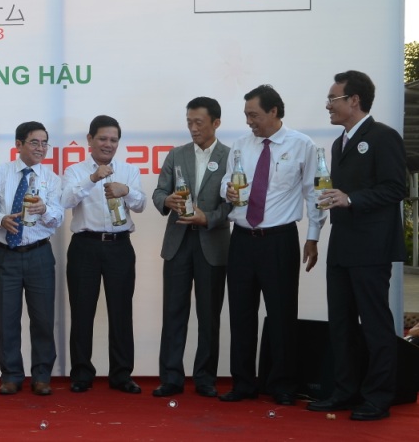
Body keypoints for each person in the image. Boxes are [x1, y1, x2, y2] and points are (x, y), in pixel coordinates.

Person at [305, 70, 407, 421]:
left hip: (372, 248)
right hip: (342, 245)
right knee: (342, 323)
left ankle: (378, 397)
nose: (327, 105)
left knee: (375, 325)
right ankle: (344, 391)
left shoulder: (383, 137)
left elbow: (396, 188)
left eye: (333, 99)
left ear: (354, 100)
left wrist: (352, 199)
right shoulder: (339, 144)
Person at [219, 84, 326, 406]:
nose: (249, 121)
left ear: (274, 112)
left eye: (254, 115)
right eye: (246, 115)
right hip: (241, 239)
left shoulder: (302, 145)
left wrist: (313, 236)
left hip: (279, 240)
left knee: (282, 314)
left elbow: (314, 193)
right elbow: (226, 180)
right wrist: (227, 190)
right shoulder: (240, 146)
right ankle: (243, 383)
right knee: (241, 314)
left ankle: (282, 384)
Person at [151, 98, 231, 398]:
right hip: (178, 243)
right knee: (173, 312)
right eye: (189, 122)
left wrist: (207, 217)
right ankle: (171, 377)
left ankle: (205, 378)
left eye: (199, 122)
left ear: (216, 123)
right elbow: (159, 191)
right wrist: (166, 200)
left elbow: (234, 203)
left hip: (212, 243)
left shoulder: (230, 156)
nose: (193, 128)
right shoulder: (176, 154)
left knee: (209, 315)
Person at [61, 115, 146, 395]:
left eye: (113, 140)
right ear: (90, 139)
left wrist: (126, 190)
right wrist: (92, 178)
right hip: (85, 246)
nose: (108, 144)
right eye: (102, 139)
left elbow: (141, 204)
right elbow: (65, 201)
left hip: (119, 247)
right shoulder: (75, 171)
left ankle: (121, 374)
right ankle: (81, 373)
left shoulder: (129, 170)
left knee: (121, 312)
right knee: (82, 311)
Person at [0, 121, 63, 396]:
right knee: (7, 319)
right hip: (7, 255)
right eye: (34, 142)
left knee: (43, 319)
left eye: (44, 143)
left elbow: (58, 218)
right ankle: (11, 376)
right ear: (18, 144)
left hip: (40, 254)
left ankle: (42, 376)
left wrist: (45, 209)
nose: (40, 148)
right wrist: (0, 219)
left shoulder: (52, 179)